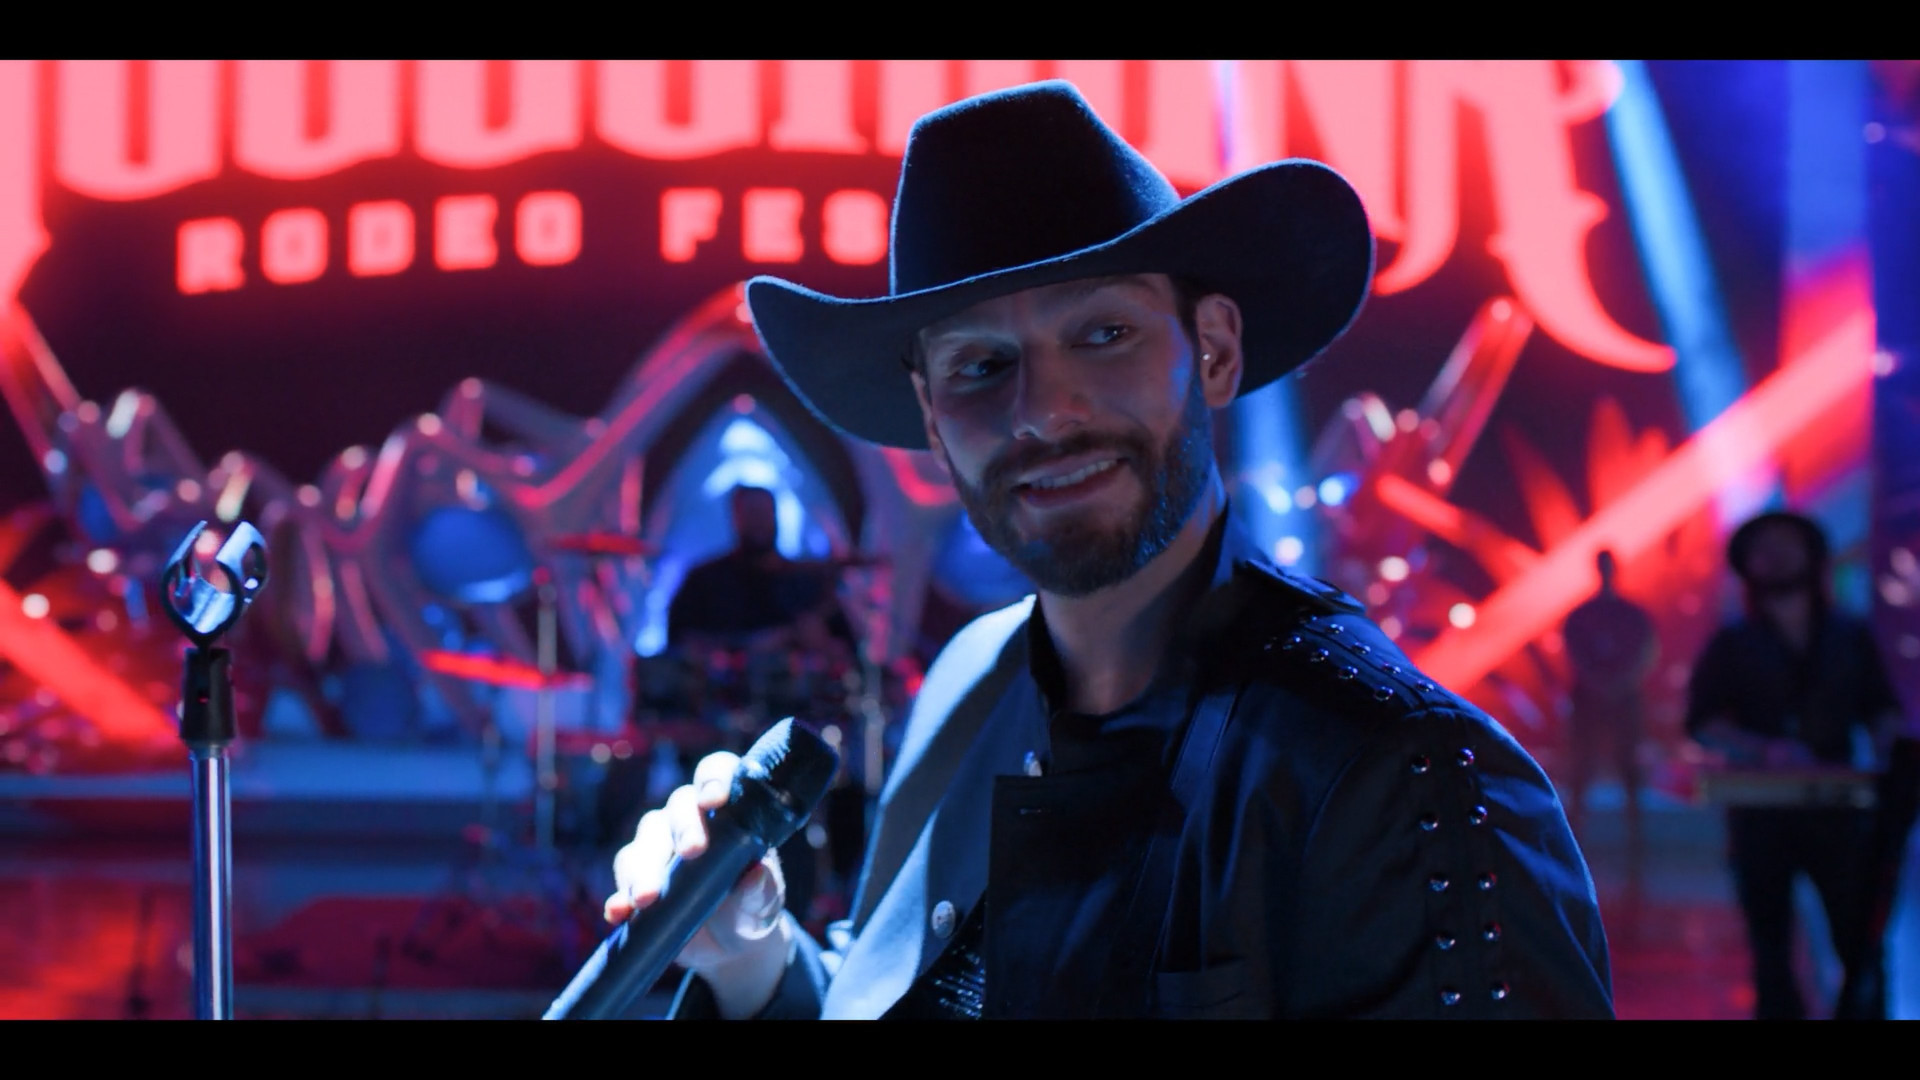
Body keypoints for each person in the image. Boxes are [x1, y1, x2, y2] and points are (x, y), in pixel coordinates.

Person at [603, 81, 1614, 1020]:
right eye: (981, 364)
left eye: (1101, 335)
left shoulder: (1407, 778)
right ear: (931, 417)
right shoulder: (968, 683)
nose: (1043, 411)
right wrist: (751, 953)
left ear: (1213, 351)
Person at [1686, 510, 1908, 1020]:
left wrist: (1891, 747)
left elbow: (1882, 707)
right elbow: (1701, 721)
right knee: (1770, 949)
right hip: (1761, 812)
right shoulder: (1734, 642)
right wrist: (1761, 750)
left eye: (1787, 543)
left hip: (1838, 809)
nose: (1777, 555)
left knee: (1860, 938)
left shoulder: (1849, 636)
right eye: (1765, 547)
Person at [1561, 549, 1658, 860]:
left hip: (1619, 699)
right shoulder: (1583, 615)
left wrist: (1616, 685)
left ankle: (1635, 842)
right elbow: (1574, 655)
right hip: (1595, 700)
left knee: (1629, 769)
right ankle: (1575, 841)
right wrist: (1605, 685)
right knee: (1582, 769)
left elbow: (1645, 654)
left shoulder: (1630, 615)